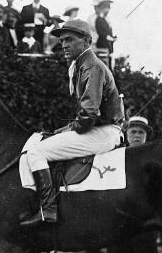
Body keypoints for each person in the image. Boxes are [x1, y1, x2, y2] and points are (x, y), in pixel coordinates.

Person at [21, 19, 123, 228]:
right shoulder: (80, 65)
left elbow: (88, 116)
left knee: (36, 153)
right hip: (99, 128)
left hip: (103, 132)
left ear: (86, 41)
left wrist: (66, 130)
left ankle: (47, 210)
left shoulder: (92, 67)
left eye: (69, 39)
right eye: (61, 40)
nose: (64, 45)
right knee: (42, 139)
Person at [102, 117, 158, 253]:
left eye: (141, 133)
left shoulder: (152, 159)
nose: (136, 135)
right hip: (119, 221)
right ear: (126, 134)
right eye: (133, 131)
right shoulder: (116, 157)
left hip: (144, 222)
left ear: (146, 136)